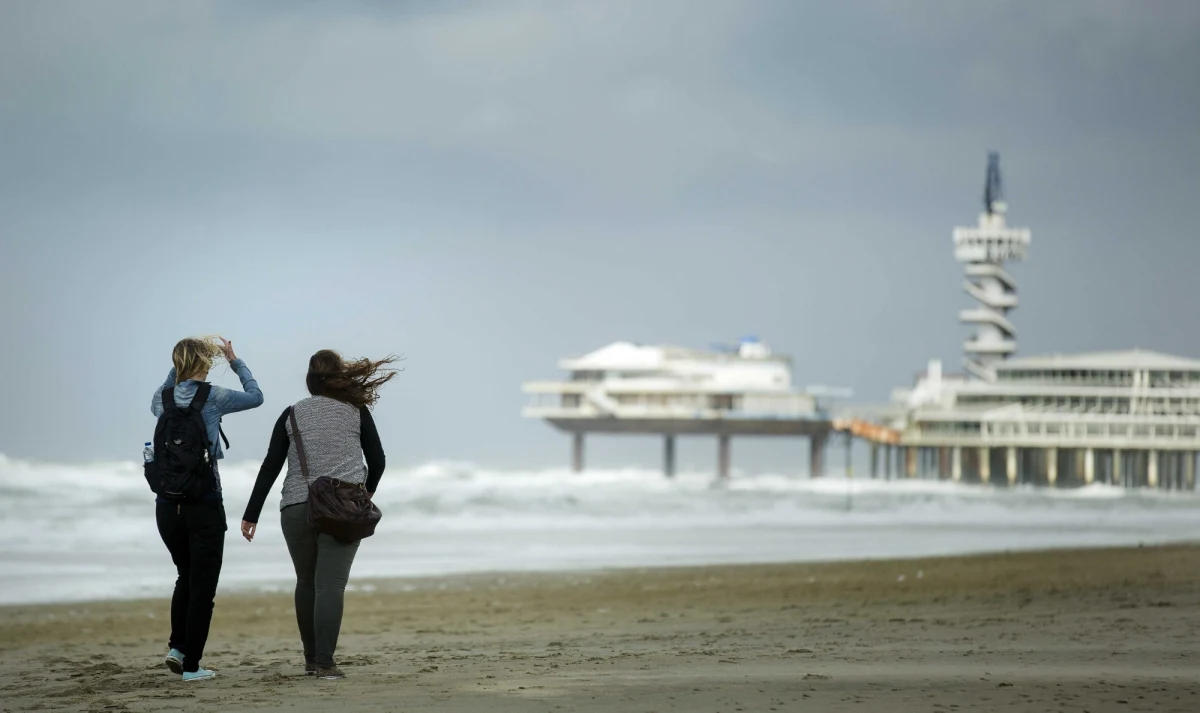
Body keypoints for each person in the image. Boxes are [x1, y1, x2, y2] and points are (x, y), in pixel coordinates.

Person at [240, 349, 395, 680]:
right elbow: (378, 460)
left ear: (310, 380)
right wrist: (366, 492)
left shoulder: (292, 413)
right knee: (330, 586)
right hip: (343, 508)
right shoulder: (356, 411)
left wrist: (251, 514)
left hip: (297, 507)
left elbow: (270, 466)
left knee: (306, 582)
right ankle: (325, 663)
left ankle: (312, 660)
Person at [151, 336, 264, 682]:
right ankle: (191, 667)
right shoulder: (214, 397)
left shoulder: (161, 399)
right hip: (204, 502)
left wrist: (180, 364)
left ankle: (177, 648)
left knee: (184, 575)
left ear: (177, 364)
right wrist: (234, 360)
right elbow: (256, 397)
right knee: (203, 585)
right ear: (206, 362)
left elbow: (170, 386)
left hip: (166, 505)